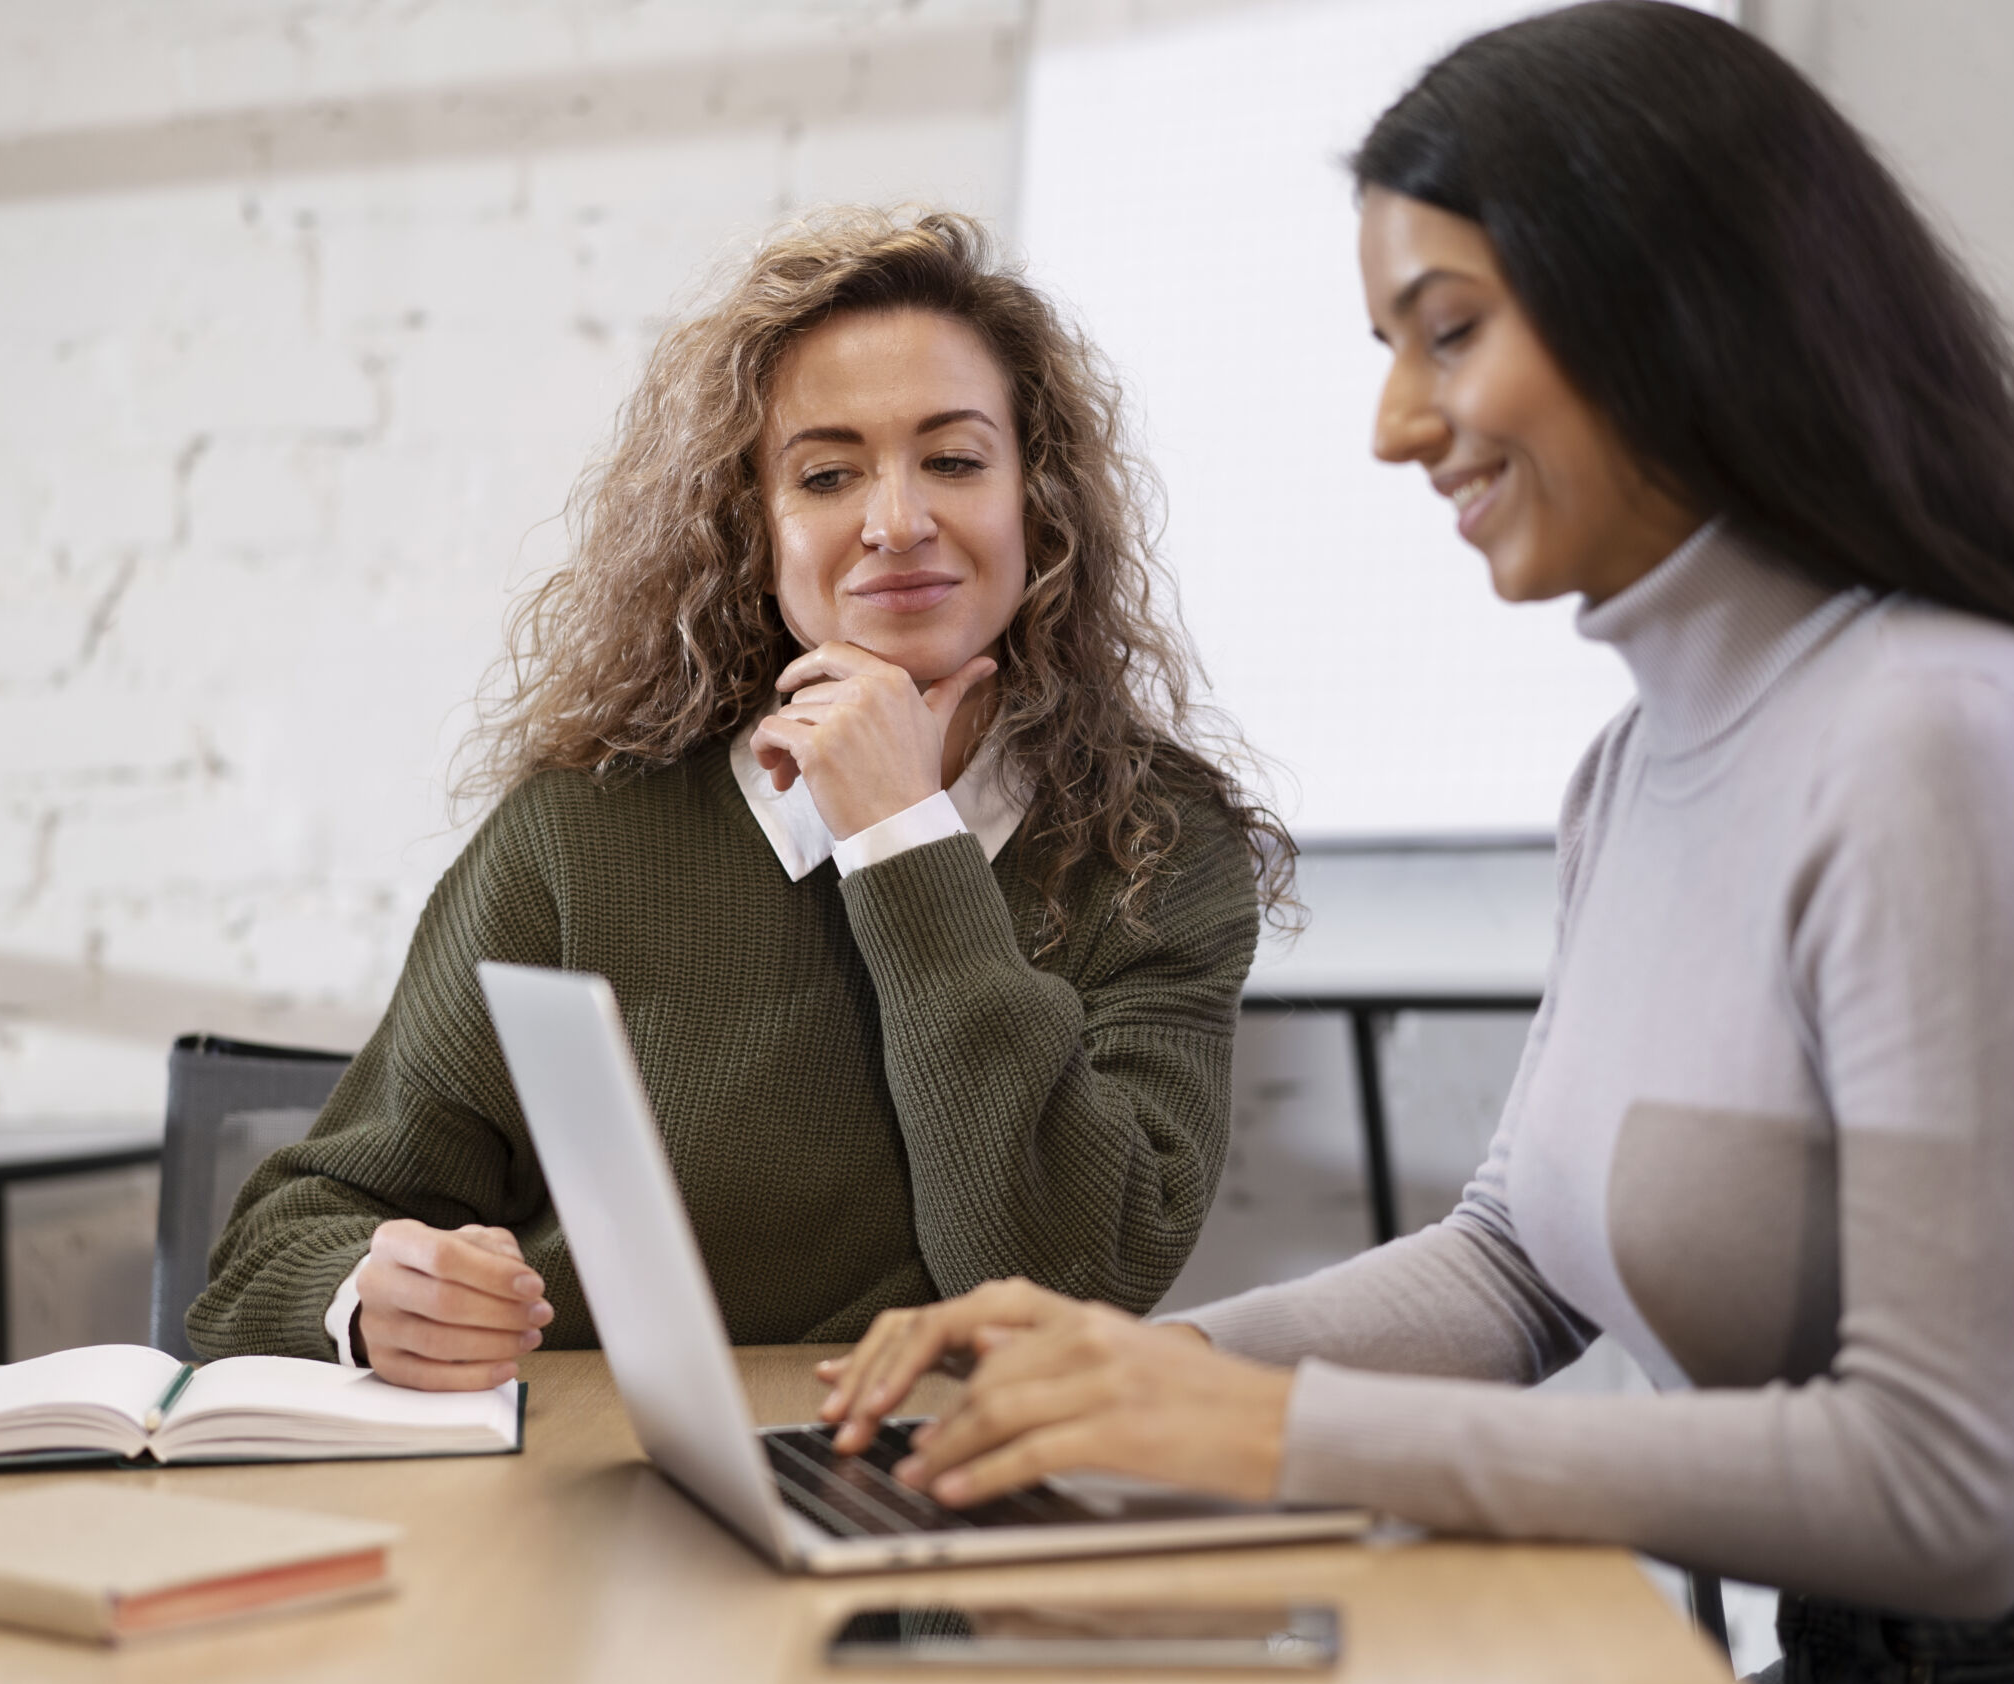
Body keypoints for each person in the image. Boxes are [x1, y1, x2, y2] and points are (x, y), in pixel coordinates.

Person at [812, 7, 2014, 1684]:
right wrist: (1122, 1370)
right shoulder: (1635, 766)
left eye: (1446, 333)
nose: (1394, 422)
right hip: (1848, 1662)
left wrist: (1284, 1431)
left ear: (1678, 309)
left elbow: (1950, 1490)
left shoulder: (1949, 740)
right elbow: (1518, 1262)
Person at [188, 209, 1289, 1394]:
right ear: (754, 526)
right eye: (826, 475)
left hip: (931, 1499)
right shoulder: (584, 834)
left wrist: (901, 836)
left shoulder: (1154, 849)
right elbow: (274, 1250)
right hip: (589, 1494)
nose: (897, 522)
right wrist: (369, 1299)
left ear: (1042, 499)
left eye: (956, 460)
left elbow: (1071, 1281)